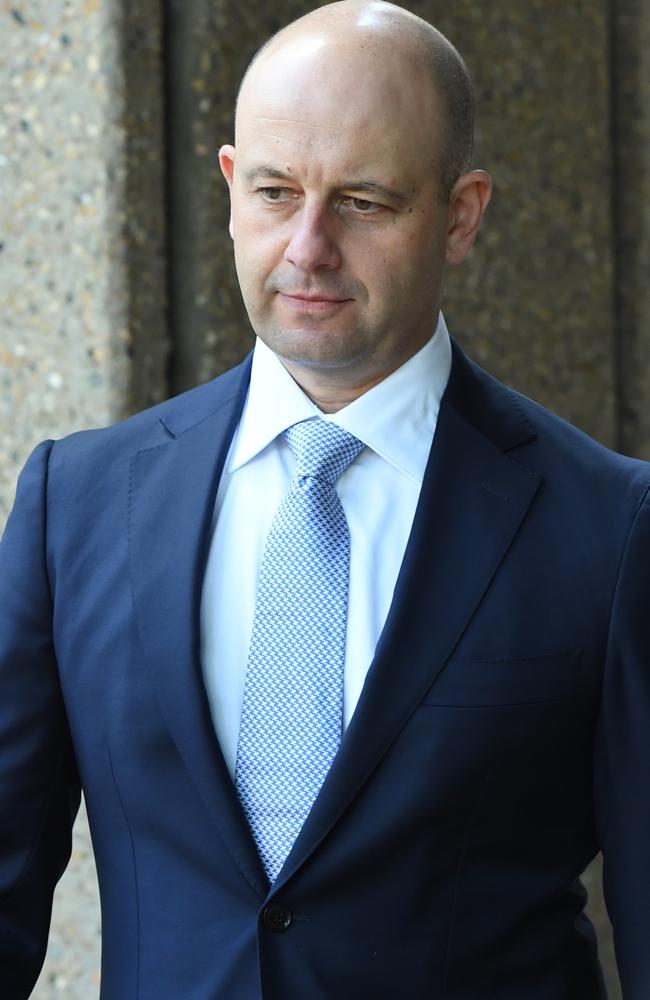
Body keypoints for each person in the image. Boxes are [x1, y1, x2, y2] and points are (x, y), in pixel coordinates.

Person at [1, 1, 648, 997]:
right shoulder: (72, 504)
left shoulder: (607, 528)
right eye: (274, 192)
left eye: (363, 201)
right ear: (228, 187)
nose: (305, 245)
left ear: (461, 214)